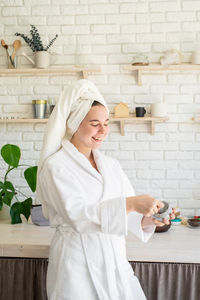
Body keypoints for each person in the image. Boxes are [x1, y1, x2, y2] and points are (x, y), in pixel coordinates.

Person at [37, 79, 174, 300]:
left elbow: (126, 214)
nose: (103, 130)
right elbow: (78, 216)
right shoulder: (56, 167)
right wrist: (131, 203)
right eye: (94, 123)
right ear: (74, 123)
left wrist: (149, 219)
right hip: (76, 263)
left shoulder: (111, 165)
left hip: (114, 261)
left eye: (107, 122)